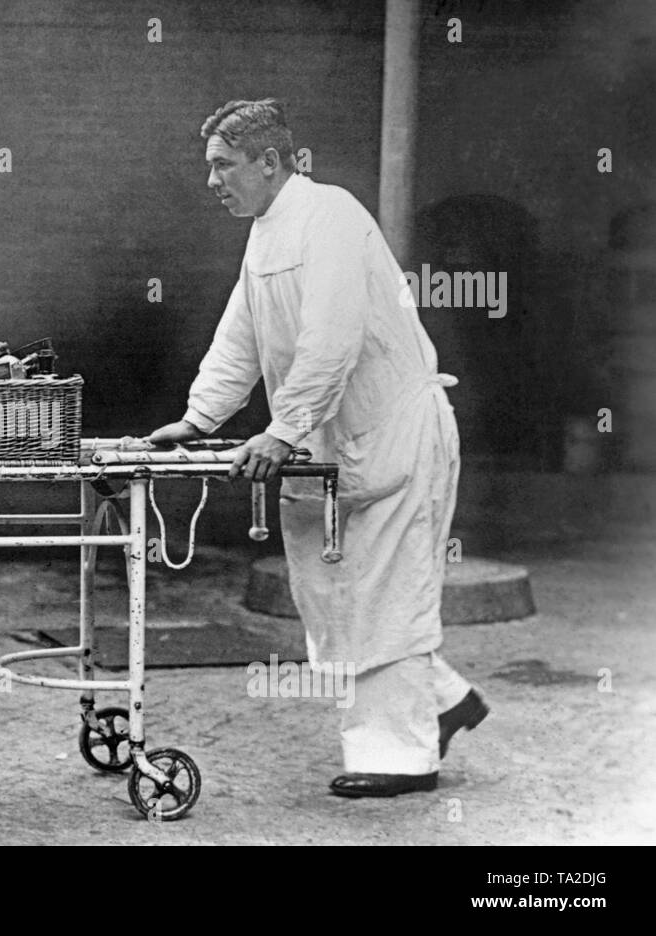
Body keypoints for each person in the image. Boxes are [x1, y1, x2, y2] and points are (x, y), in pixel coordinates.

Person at [148, 99, 489, 797]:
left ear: (269, 162)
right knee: (331, 597)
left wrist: (281, 429)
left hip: (393, 434)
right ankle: (447, 699)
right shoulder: (267, 232)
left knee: (384, 596)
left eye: (223, 166)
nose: (212, 181)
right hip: (329, 441)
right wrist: (200, 418)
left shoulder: (331, 216)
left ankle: (400, 759)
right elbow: (241, 335)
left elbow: (332, 337)